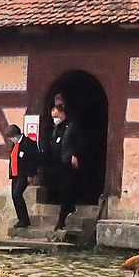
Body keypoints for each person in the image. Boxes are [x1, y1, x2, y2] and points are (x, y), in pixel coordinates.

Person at [49, 99, 83, 230]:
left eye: (56, 117)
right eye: (53, 117)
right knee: (58, 189)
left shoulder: (72, 126)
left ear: (62, 114)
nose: (54, 119)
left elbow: (80, 143)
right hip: (56, 163)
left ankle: (62, 220)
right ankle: (69, 208)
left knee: (66, 189)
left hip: (67, 163)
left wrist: (74, 154)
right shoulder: (55, 128)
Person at [4, 124, 39, 228]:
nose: (11, 139)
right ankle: (21, 219)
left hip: (23, 174)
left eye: (11, 137)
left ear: (16, 135)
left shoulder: (28, 143)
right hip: (15, 174)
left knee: (17, 194)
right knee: (14, 196)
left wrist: (31, 174)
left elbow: (32, 160)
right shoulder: (14, 144)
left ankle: (24, 219)